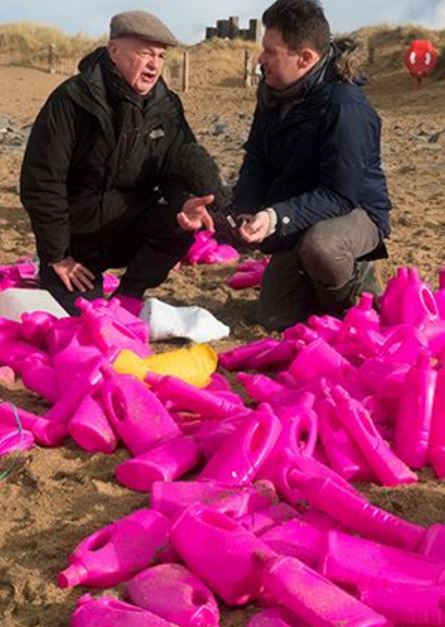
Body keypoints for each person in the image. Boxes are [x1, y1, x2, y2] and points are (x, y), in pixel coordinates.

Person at [20, 10, 214, 316]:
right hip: (75, 240)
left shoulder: (167, 106)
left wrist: (185, 200)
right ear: (113, 51)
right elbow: (42, 181)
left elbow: (175, 169)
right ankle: (64, 272)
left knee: (180, 222)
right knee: (82, 318)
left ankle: (130, 292)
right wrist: (58, 255)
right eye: (146, 53)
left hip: (128, 227)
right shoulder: (72, 100)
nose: (154, 65)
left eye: (161, 56)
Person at [230, 0, 391, 331]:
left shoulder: (345, 107)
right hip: (301, 213)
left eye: (271, 52)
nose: (261, 59)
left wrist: (276, 216)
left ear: (305, 58)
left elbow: (340, 194)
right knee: (275, 318)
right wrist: (246, 208)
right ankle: (322, 284)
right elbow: (257, 159)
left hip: (354, 213)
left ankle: (352, 297)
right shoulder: (273, 93)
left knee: (322, 246)